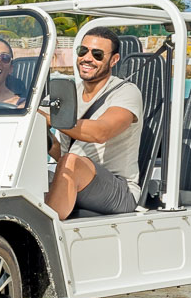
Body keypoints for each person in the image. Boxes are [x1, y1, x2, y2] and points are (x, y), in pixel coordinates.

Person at [45, 26, 142, 218]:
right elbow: (61, 152)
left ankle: (43, 230)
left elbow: (100, 133)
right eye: (83, 51)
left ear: (113, 60)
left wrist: (49, 117)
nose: (87, 58)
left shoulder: (126, 92)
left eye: (97, 54)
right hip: (78, 179)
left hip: (119, 190)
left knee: (71, 162)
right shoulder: (68, 92)